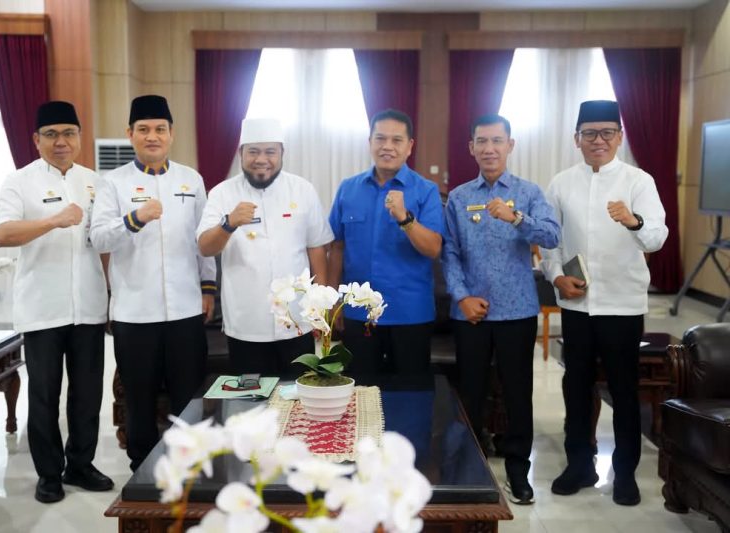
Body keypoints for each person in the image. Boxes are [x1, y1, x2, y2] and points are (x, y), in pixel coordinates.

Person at [541, 100, 668, 506]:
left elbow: (657, 238)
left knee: (623, 389)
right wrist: (557, 276)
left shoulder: (638, 181)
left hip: (623, 305)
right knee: (575, 387)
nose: (599, 140)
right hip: (578, 306)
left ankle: (626, 472)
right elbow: (550, 241)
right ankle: (579, 463)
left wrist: (633, 220)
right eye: (590, 133)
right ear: (576, 139)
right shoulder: (561, 182)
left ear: (620, 136)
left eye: (607, 132)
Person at [0, 101, 113, 503]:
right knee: (44, 394)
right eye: (51, 134)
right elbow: (2, 234)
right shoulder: (19, 181)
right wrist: (51, 220)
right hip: (42, 308)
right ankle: (49, 474)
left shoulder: (95, 181)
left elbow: (106, 242)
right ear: (37, 140)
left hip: (89, 306)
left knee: (87, 393)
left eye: (68, 133)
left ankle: (80, 464)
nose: (61, 142)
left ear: (79, 137)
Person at [90, 95, 216, 471]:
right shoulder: (112, 183)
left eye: (160, 129)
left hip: (186, 307)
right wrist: (135, 218)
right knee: (139, 395)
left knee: (187, 393)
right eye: (143, 129)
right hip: (134, 310)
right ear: (130, 134)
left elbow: (203, 239)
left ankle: (189, 462)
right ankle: (141, 466)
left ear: (171, 134)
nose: (152, 136)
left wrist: (208, 286)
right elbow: (99, 239)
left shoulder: (190, 180)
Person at [441, 114, 559, 505]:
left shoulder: (527, 192)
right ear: (471, 148)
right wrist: (461, 296)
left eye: (497, 141)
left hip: (517, 312)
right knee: (470, 393)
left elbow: (552, 235)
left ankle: (517, 470)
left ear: (510, 145)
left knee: (517, 393)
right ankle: (470, 467)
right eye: (481, 141)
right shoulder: (458, 197)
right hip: (471, 314)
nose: (489, 149)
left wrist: (517, 218)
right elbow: (450, 254)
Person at [197, 118, 334, 376]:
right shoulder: (222, 193)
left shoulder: (303, 190)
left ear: (282, 153)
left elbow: (317, 248)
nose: (262, 159)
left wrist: (320, 306)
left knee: (297, 400)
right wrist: (228, 223)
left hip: (297, 320)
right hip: (246, 323)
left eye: (270, 151)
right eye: (253, 151)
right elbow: (205, 247)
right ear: (240, 154)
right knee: (251, 405)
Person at [328, 108, 444, 376]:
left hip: (410, 313)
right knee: (360, 394)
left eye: (396, 140)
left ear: (409, 146)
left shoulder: (425, 190)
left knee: (410, 397)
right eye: (380, 139)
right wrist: (334, 301)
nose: (387, 147)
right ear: (370, 142)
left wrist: (405, 219)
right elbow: (336, 247)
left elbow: (433, 248)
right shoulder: (348, 188)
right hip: (358, 313)